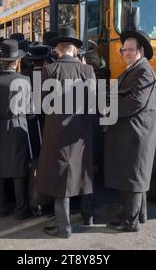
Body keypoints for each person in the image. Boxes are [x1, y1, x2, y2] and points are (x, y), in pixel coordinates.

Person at [36, 27, 97, 239]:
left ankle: (64, 227)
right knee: (83, 173)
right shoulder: (87, 71)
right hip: (81, 132)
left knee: (61, 177)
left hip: (57, 132)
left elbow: (43, 104)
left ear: (57, 49)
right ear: (75, 50)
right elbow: (93, 103)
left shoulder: (49, 71)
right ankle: (88, 217)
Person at [104, 30, 156, 232]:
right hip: (132, 131)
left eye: (130, 50)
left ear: (141, 51)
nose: (126, 53)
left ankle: (129, 222)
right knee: (133, 173)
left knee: (133, 176)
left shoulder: (143, 70)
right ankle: (139, 215)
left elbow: (135, 102)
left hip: (136, 133)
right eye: (123, 49)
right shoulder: (134, 68)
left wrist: (108, 109)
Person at [0, 40, 31, 220]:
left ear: (1, 61)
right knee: (19, 170)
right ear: (16, 62)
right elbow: (31, 110)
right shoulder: (25, 80)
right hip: (19, 126)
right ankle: (21, 209)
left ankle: (1, 207)